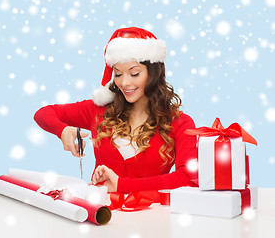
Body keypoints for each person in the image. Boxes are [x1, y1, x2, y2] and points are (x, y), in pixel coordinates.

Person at [34, 27, 198, 193]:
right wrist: (62, 130)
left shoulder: (180, 123)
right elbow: (43, 114)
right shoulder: (99, 110)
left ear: (154, 73)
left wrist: (123, 185)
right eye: (118, 74)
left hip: (153, 217)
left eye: (134, 73)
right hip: (99, 215)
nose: (125, 83)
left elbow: (188, 177)